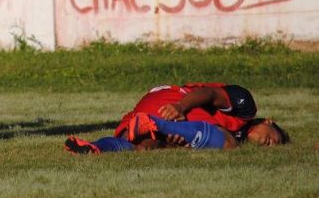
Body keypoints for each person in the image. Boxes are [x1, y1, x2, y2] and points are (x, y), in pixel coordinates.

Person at [65, 83, 289, 154]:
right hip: (173, 101)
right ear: (268, 121)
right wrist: (180, 106)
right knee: (228, 142)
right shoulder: (245, 108)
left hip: (148, 109)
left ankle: (94, 147)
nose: (271, 145)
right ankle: (154, 124)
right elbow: (210, 94)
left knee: (142, 146)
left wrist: (180, 141)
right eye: (275, 139)